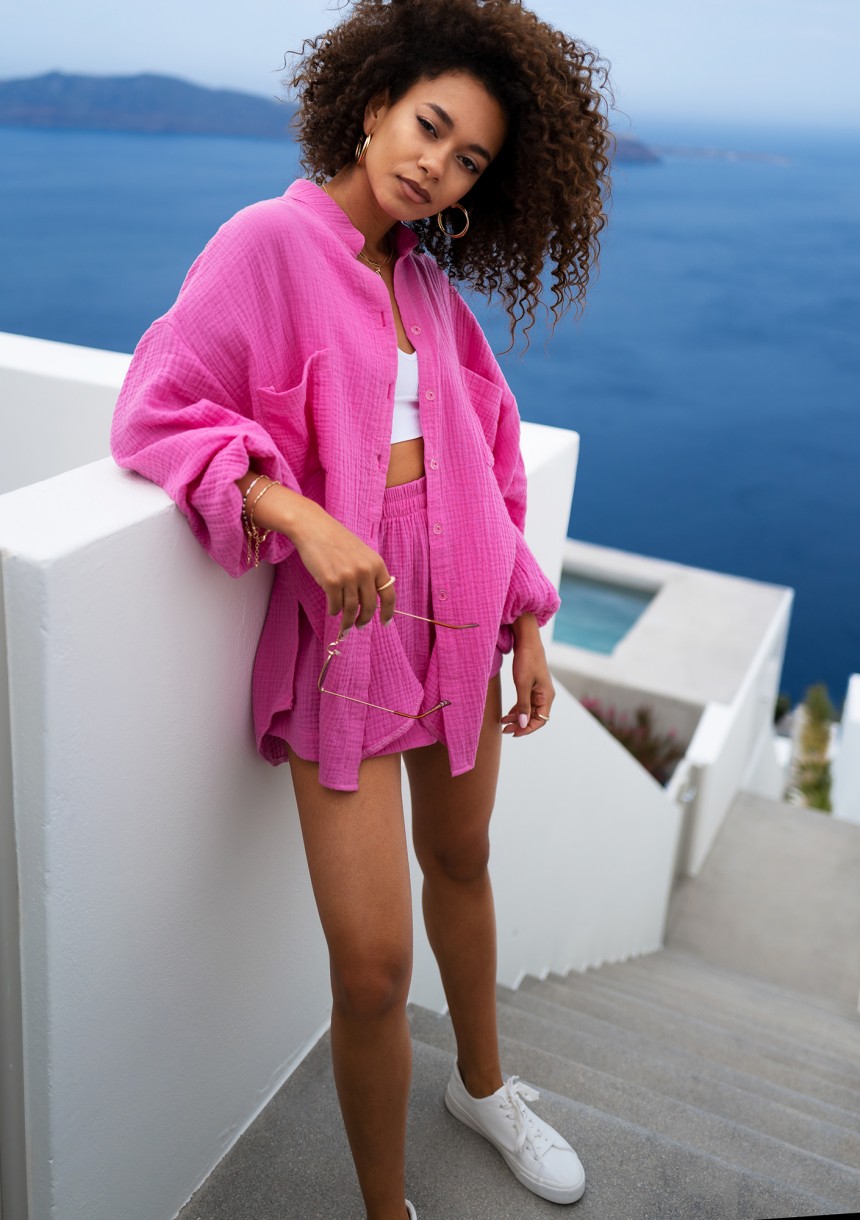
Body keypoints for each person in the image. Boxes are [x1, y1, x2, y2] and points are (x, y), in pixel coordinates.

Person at [110, 2, 611, 1216]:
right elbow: (155, 408)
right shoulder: (264, 244)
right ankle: (387, 1207)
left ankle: (482, 1089)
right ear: (374, 101)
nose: (436, 166)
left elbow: (491, 459)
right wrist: (295, 512)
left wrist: (528, 620)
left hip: (464, 618)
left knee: (463, 858)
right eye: (429, 126)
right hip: (345, 640)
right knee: (374, 965)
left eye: (468, 158)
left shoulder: (427, 288)